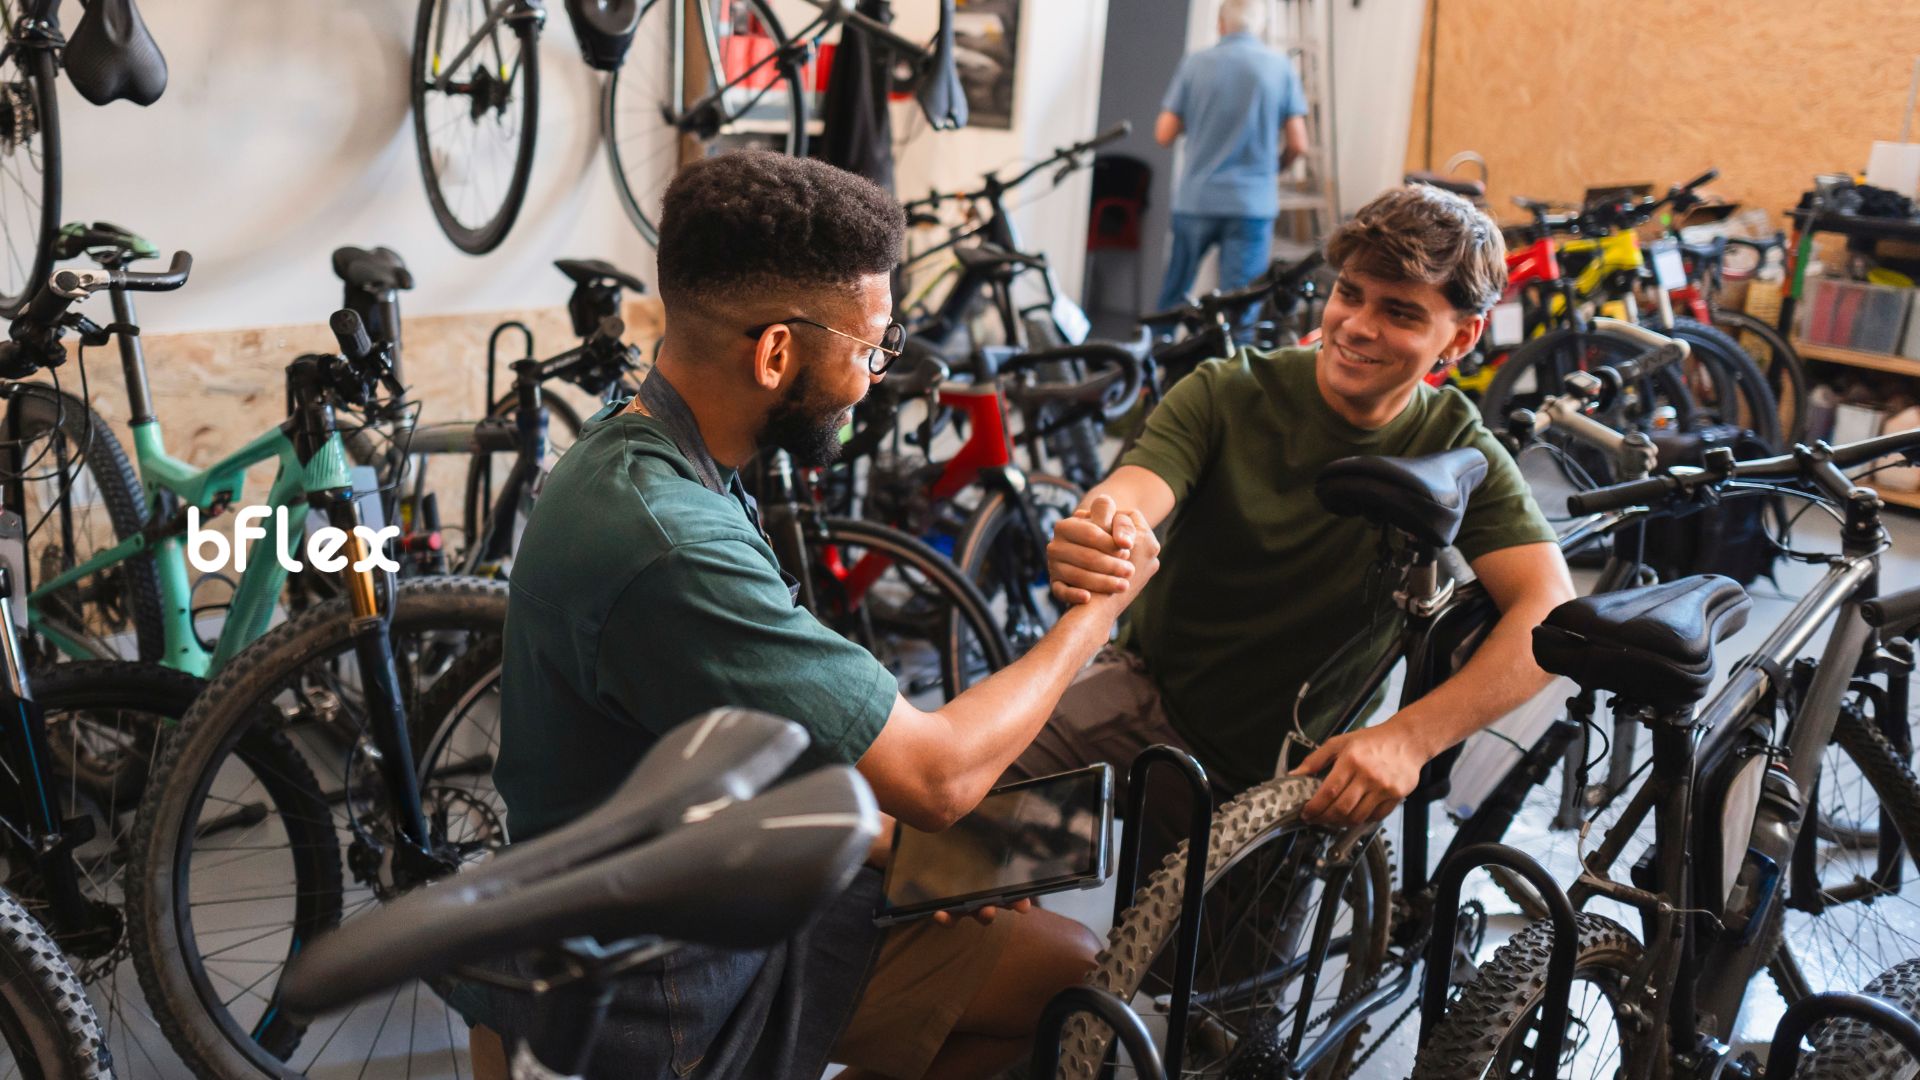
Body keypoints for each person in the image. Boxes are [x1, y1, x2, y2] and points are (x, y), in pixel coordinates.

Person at [474, 150, 1161, 1080]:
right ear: (776, 353)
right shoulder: (673, 543)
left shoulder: (639, 449)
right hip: (657, 966)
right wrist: (1094, 615)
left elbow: (751, 741)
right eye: (870, 344)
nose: (878, 372)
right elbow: (940, 777)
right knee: (1078, 977)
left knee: (1026, 870)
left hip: (679, 869)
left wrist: (907, 853)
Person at [1027, 183, 1576, 833]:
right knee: (958, 821)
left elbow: (1550, 613)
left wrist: (1410, 737)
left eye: (1400, 313)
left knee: (1206, 939)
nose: (1357, 326)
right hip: (1148, 701)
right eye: (1349, 293)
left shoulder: (1457, 445)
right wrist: (1102, 528)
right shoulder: (1229, 390)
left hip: (1297, 773)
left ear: (1461, 338)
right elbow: (1136, 489)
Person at [1152, 0, 1311, 314]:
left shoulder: (1196, 64)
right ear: (1260, 26)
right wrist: (1276, 167)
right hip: (1251, 202)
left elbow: (1164, 134)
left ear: (1220, 24)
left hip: (1197, 199)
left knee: (1174, 297)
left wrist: (1200, 115)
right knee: (1241, 305)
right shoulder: (1279, 68)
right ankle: (1234, 361)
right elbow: (1299, 143)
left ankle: (1158, 357)